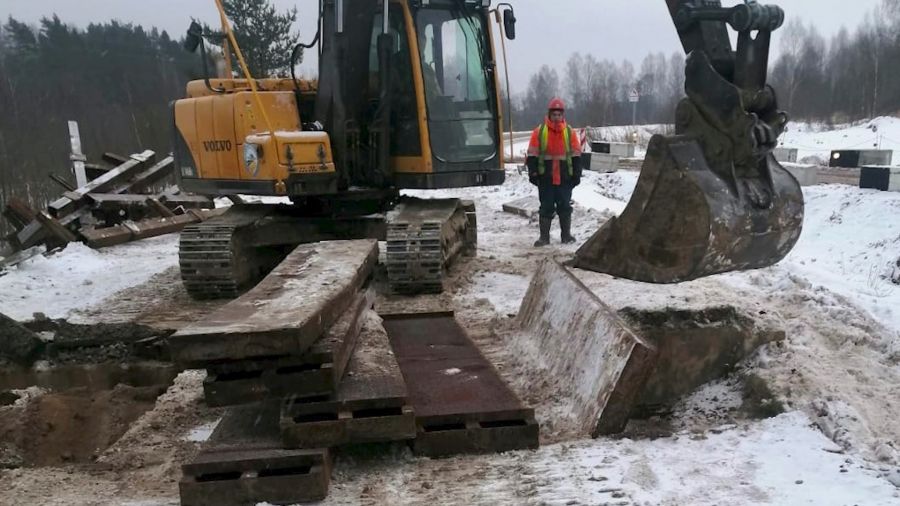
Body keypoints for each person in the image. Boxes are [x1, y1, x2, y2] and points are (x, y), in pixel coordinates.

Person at [525, 97, 582, 247]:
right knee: (546, 207)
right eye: (554, 114)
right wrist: (533, 173)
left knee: (565, 207)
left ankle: (566, 236)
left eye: (559, 114)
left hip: (564, 178)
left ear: (563, 116)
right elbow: (532, 154)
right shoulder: (539, 132)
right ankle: (544, 238)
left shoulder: (569, 133)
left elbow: (576, 154)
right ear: (549, 115)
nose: (556, 118)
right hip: (546, 178)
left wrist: (576, 174)